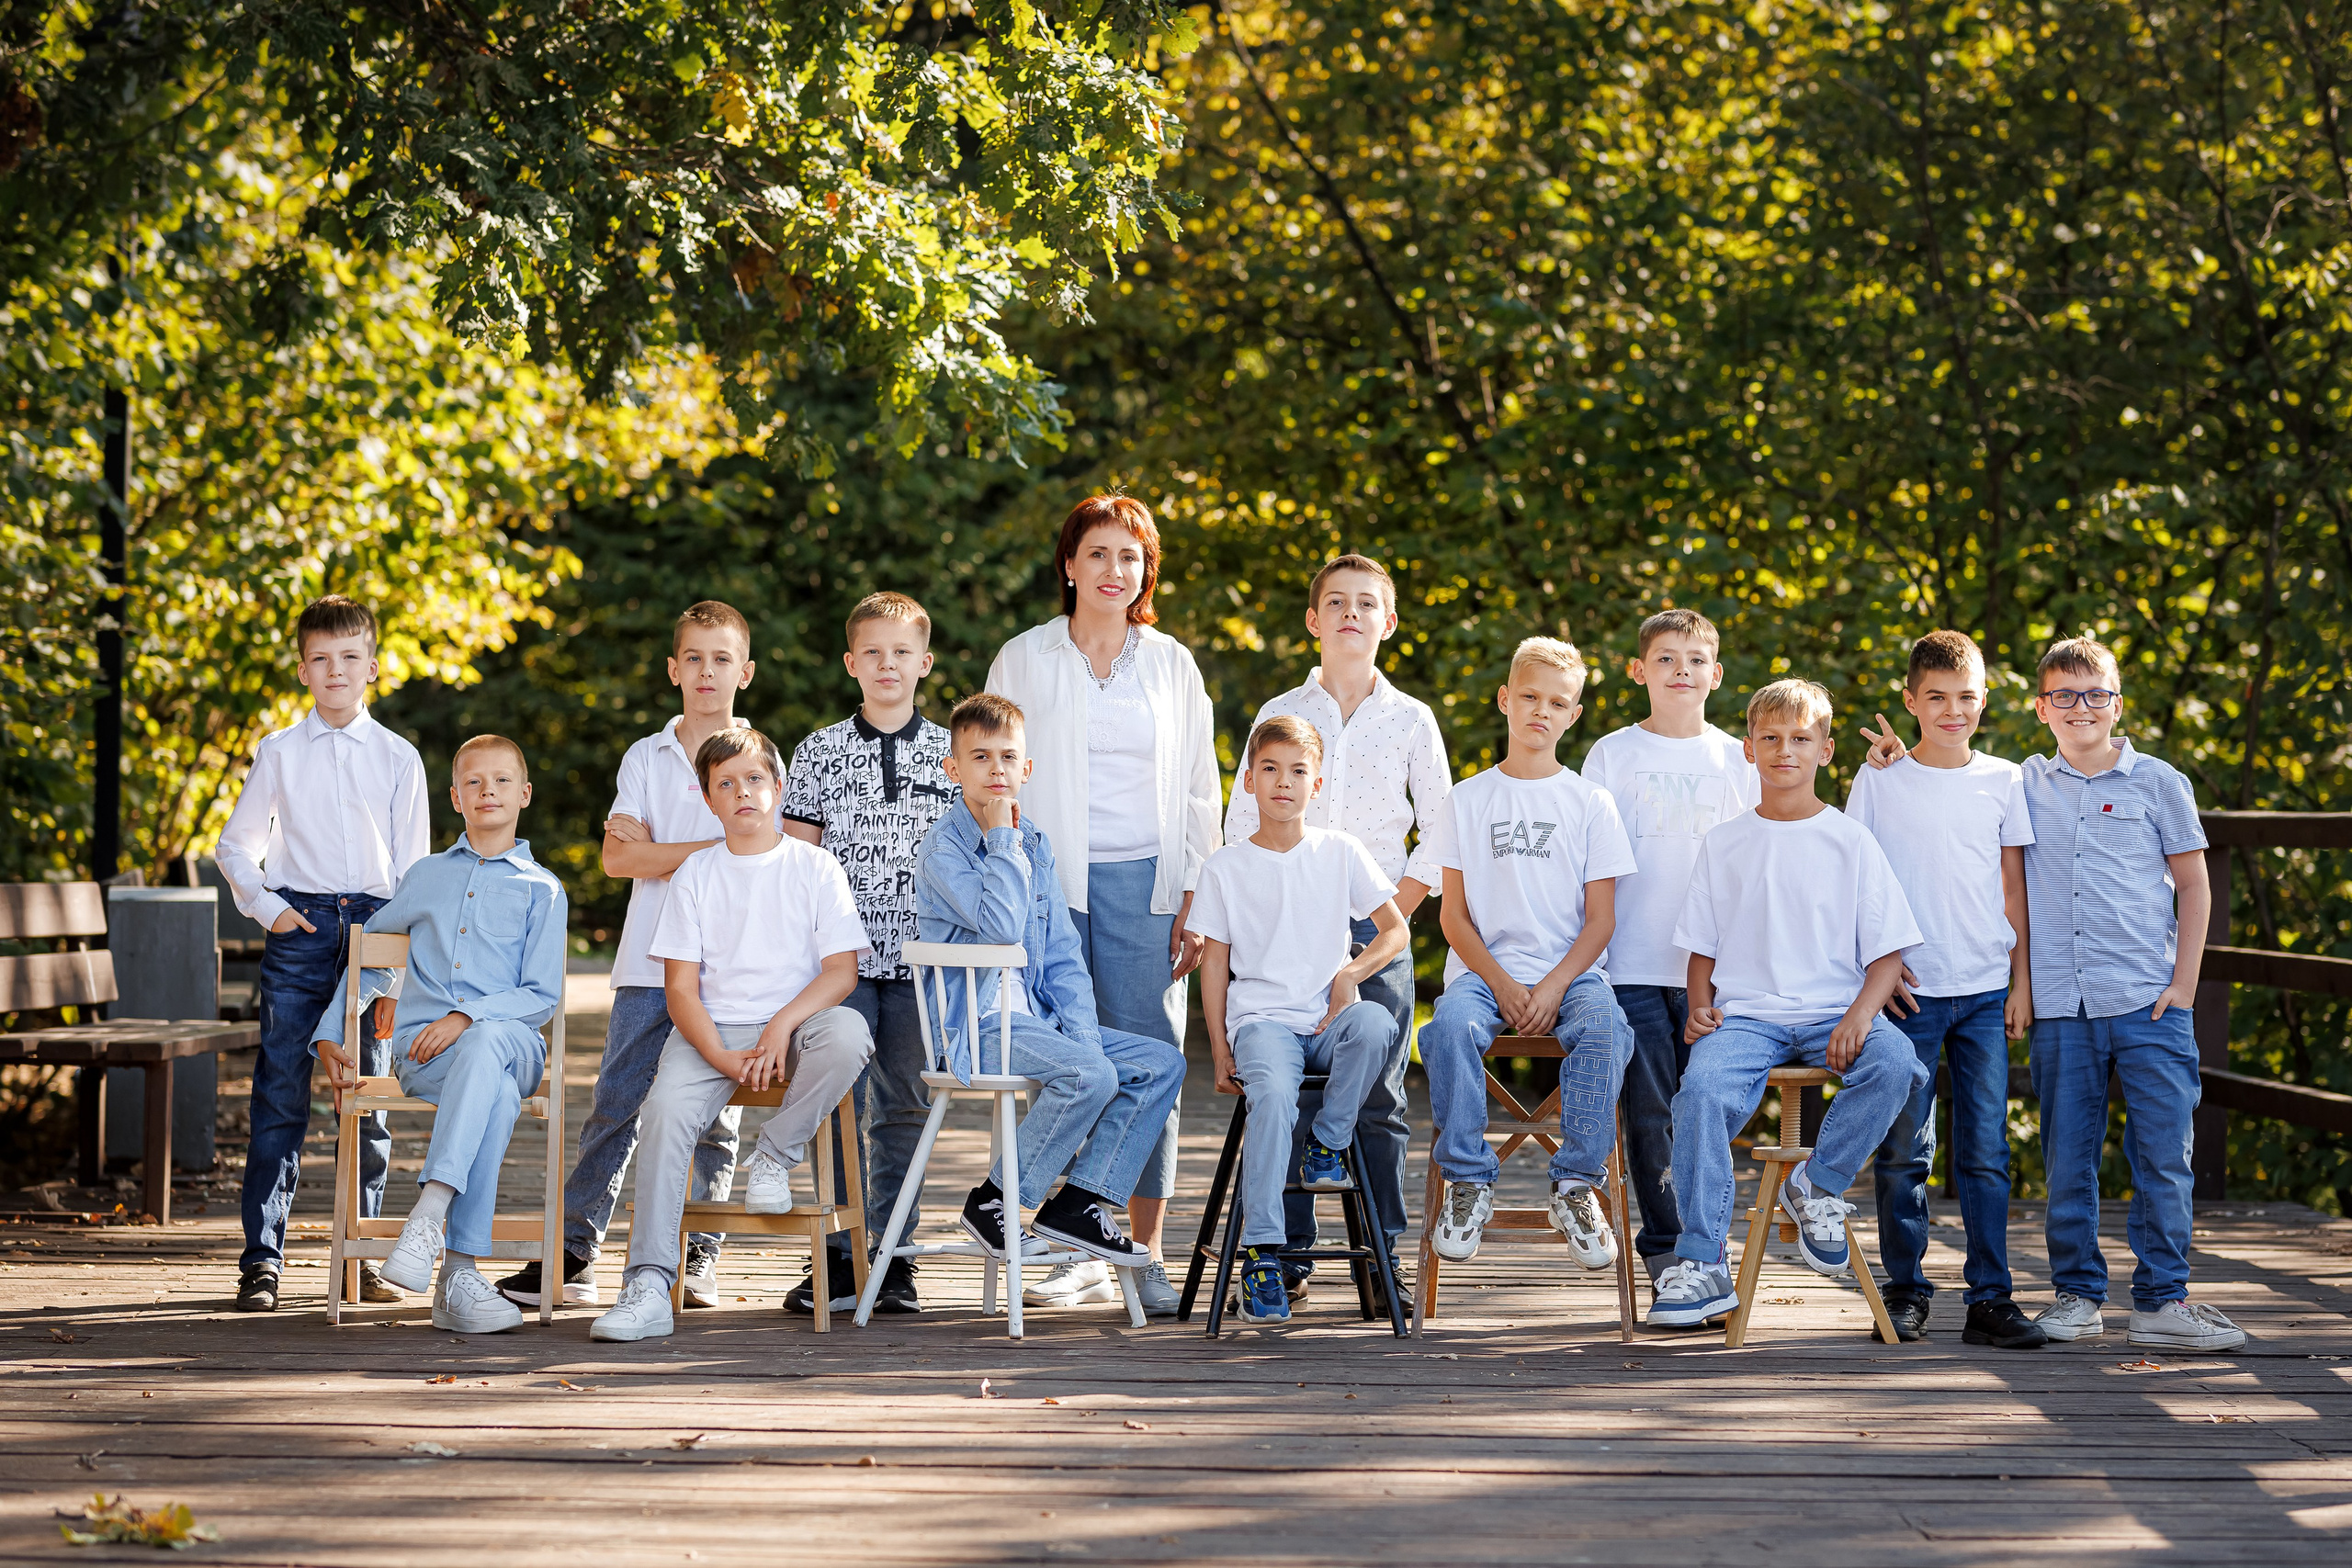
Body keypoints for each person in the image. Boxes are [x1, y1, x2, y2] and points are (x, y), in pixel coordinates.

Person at [986, 495, 1220, 1314]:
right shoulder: (1023, 656)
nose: (1114, 570)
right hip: (1048, 888)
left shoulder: (1173, 663)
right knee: (1071, 1061)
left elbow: (1199, 783)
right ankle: (1067, 1245)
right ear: (1069, 564)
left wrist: (1198, 888)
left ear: (1144, 568)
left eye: (1130, 555)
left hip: (1150, 888)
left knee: (1151, 1064)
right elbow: (996, 774)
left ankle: (1139, 1249)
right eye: (1098, 554)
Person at [1647, 679, 1930, 1330]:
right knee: (1699, 1093)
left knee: (1897, 1062)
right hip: (1747, 1017)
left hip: (1837, 1011)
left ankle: (1817, 1180)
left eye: (1801, 738)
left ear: (1826, 750)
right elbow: (1701, 947)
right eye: (1770, 738)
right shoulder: (1725, 842)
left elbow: (1888, 954)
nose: (1785, 750)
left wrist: (1862, 1014)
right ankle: (1703, 1259)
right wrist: (1697, 1006)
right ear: (1748, 749)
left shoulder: (1849, 840)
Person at [499, 602, 757, 1313]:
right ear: (675, 670)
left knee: (714, 1115)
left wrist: (663, 853)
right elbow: (619, 856)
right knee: (614, 1104)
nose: (709, 672)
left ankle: (697, 1251)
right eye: (695, 659)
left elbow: (758, 858)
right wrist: (711, 849)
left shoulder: (760, 757)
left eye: (723, 658)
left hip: (730, 971)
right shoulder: (647, 755)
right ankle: (574, 1251)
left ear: (746, 670)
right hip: (648, 960)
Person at [590, 728, 876, 1343]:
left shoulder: (815, 866)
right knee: (663, 1108)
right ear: (708, 797)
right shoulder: (696, 873)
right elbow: (681, 991)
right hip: (712, 1032)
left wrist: (781, 1024)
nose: (742, 791)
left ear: (778, 786)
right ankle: (647, 1282)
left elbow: (841, 973)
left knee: (850, 1034)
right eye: (726, 783)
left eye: (754, 779)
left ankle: (773, 1154)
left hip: (795, 1025)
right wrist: (719, 1054)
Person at [1219, 553, 1449, 1299]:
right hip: (1283, 912)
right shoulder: (1280, 713)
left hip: (1379, 915)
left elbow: (1440, 834)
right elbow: (1236, 825)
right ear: (1315, 620)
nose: (1352, 614)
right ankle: (1284, 1253)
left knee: (1378, 1094)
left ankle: (1381, 1256)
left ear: (1389, 621)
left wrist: (1389, 925)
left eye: (1368, 604)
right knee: (1287, 1088)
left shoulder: (1412, 719)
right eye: (1337, 603)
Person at [2017, 637, 2244, 1351]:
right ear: (2040, 707)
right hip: (2062, 1004)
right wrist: (1896, 767)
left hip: (2149, 1000)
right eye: (2064, 695)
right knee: (2067, 1157)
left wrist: (2185, 983)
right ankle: (2077, 1295)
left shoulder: (2160, 782)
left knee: (2164, 1156)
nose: (2080, 708)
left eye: (2095, 695)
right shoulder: (2023, 782)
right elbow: (1951, 789)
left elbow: (2195, 884)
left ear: (2117, 703)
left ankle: (2161, 1300)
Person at [910, 694, 1187, 1278]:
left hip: (1035, 1023)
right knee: (1091, 1075)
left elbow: (1062, 960)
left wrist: (1084, 1037)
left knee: (1160, 1062)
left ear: (1026, 769)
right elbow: (1003, 929)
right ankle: (996, 1199)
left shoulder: (1034, 843)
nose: (996, 771)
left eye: (1008, 758)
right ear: (952, 769)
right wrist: (1001, 839)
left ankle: (1080, 1200)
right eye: (980, 758)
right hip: (975, 1028)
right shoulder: (945, 848)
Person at [217, 594, 430, 1313]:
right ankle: (262, 1259)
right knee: (281, 1090)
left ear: (372, 666)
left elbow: (414, 873)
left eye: (349, 657)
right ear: (303, 668)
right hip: (301, 928)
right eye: (320, 658)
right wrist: (271, 910)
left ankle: (360, 1252)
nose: (335, 670)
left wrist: (396, 969)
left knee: (365, 1092)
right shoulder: (278, 751)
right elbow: (236, 846)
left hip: (376, 926)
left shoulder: (399, 757)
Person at [313, 736, 565, 1334]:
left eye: (502, 781)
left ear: (524, 794)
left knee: (484, 1046)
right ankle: (457, 1277)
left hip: (514, 1043)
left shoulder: (542, 888)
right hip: (425, 1056)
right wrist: (332, 1034)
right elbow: (368, 962)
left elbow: (541, 995)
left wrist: (466, 1016)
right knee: (496, 1094)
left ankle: (430, 1207)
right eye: (474, 782)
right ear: (455, 797)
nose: (488, 791)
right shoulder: (424, 877)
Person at [1847, 630, 2046, 1349]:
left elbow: (2012, 885)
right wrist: (1881, 966)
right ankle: (1904, 1290)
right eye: (1936, 697)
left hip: (1987, 991)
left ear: (1985, 699)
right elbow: (1855, 883)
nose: (1952, 709)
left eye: (1965, 697)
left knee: (1986, 1150)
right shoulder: (1880, 778)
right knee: (1905, 1149)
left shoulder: (2004, 780)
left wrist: (2023, 980)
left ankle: (1990, 1298)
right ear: (1910, 701)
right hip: (1911, 994)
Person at [1423, 637, 1639, 1269]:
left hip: (1571, 976)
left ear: (1573, 715)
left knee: (1607, 1029)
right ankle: (1468, 1180)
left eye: (1557, 702)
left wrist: (1549, 986)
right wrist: (1503, 983)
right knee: (1447, 1029)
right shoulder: (1467, 798)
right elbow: (1453, 917)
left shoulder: (1589, 803)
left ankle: (1575, 1184)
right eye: (1529, 697)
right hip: (1483, 975)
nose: (1541, 711)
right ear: (1505, 700)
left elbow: (1601, 921)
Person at [1193, 716, 1408, 1325]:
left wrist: (1350, 973)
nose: (1283, 782)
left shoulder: (1339, 851)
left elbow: (1396, 929)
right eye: (1269, 769)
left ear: (1316, 785)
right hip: (1261, 1024)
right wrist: (1218, 1045)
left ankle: (1329, 1141)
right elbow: (1215, 962)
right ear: (1250, 781)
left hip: (1326, 1021)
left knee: (1373, 1024)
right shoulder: (1226, 867)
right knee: (1275, 1100)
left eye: (1297, 771)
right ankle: (1263, 1251)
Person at [780, 592, 956, 1316]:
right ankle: (842, 1250)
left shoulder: (952, 753)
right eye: (873, 652)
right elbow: (796, 863)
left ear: (924, 662)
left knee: (906, 1108)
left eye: (902, 652)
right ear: (852, 662)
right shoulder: (819, 751)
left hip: (922, 964)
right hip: (839, 963)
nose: (888, 664)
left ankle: (896, 1252)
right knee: (838, 1104)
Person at [1577, 607, 1758, 1289]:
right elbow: (1589, 862)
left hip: (1720, 969)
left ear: (1716, 672)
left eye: (1694, 659)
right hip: (1631, 962)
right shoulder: (1612, 754)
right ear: (1638, 670)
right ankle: (1665, 1250)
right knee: (1650, 1110)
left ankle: (1709, 1243)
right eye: (1666, 659)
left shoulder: (1737, 757)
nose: (1681, 670)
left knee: (1709, 1107)